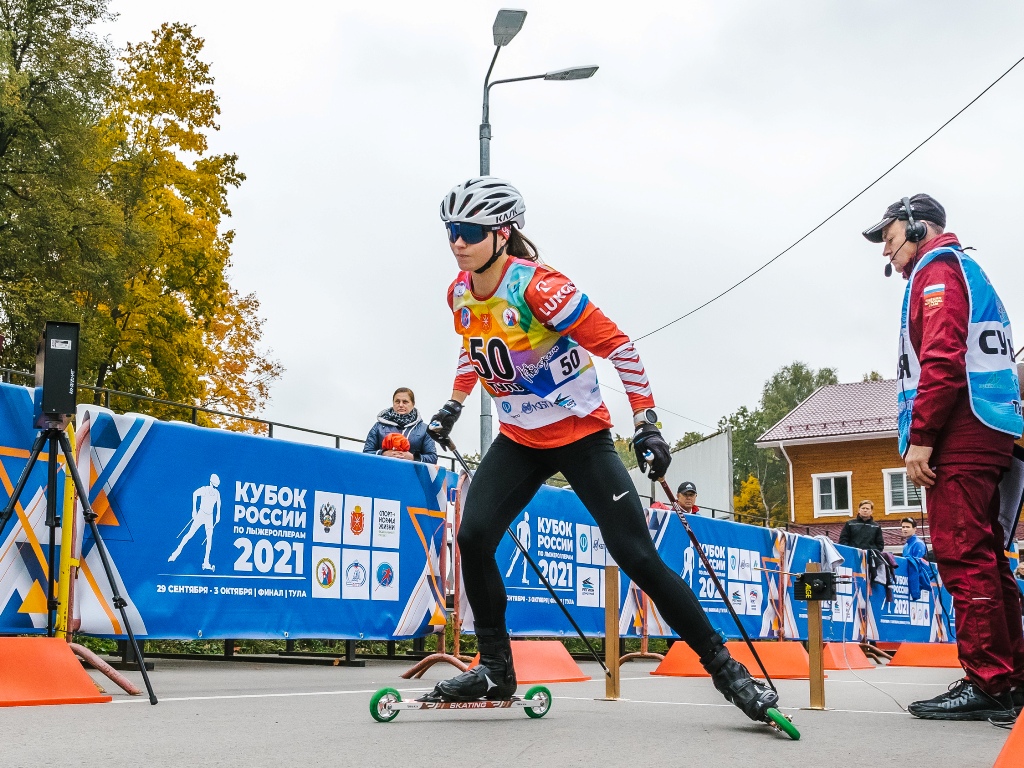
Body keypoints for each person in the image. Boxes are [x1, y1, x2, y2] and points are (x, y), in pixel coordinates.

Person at [420, 176, 781, 727]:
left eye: (469, 230)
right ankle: (495, 667)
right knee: (472, 536)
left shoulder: (539, 288)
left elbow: (621, 348)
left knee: (635, 554)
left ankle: (727, 669)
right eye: (450, 231)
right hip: (520, 439)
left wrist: (648, 425)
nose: (457, 242)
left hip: (580, 435)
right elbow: (475, 350)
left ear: (503, 232)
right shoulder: (459, 292)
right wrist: (455, 403)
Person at [863, 194, 1024, 722]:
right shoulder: (962, 268)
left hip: (962, 429)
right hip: (990, 428)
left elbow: (942, 357)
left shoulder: (937, 272)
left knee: (962, 553)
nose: (887, 254)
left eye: (889, 239)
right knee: (987, 555)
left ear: (918, 227)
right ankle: (1010, 676)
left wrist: (923, 436)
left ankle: (987, 680)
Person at [363, 387, 437, 464]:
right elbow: (366, 453)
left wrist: (413, 457)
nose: (401, 405)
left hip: (410, 474)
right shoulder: (378, 426)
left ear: (413, 404)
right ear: (393, 403)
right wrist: (383, 454)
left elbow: (432, 458)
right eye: (397, 401)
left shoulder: (425, 429)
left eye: (405, 402)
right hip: (382, 473)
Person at [168, 474, 221, 571]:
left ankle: (206, 562)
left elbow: (219, 504)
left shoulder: (217, 493)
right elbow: (195, 494)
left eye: (215, 486)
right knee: (189, 534)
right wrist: (194, 510)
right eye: (213, 485)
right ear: (211, 483)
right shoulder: (204, 489)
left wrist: (218, 515)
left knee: (209, 539)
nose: (214, 487)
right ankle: (176, 552)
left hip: (210, 517)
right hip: (201, 514)